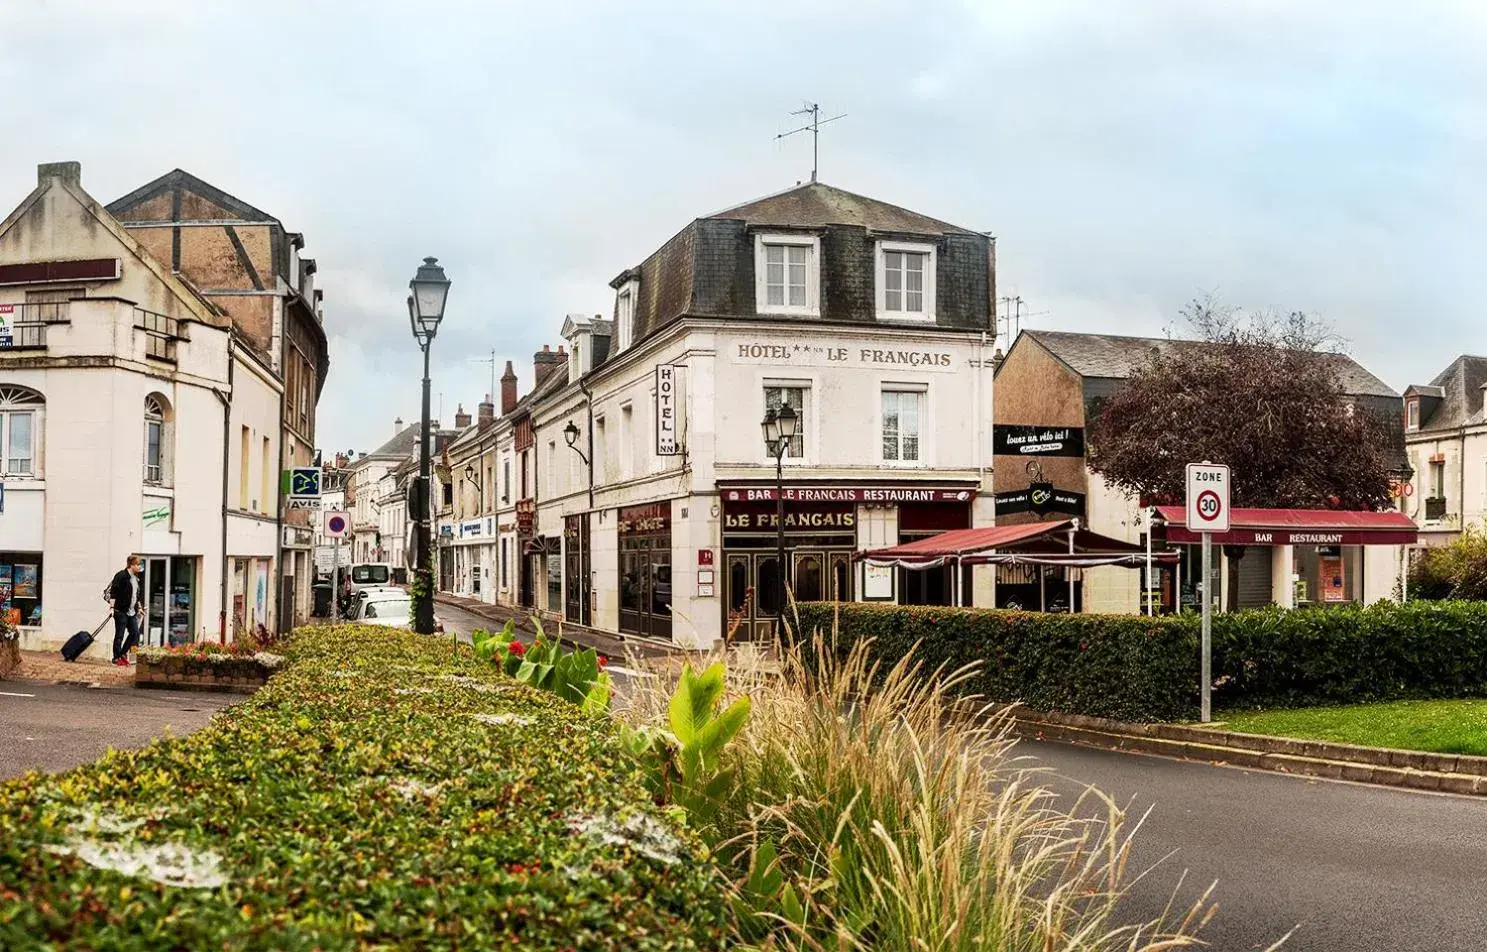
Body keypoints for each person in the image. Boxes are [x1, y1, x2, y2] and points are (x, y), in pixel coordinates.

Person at [108, 555, 145, 666]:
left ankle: (122, 654)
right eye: (138, 565)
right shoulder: (121, 576)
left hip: (131, 612)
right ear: (131, 565)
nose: (140, 567)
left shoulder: (136, 578)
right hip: (120, 611)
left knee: (135, 633)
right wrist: (111, 608)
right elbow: (113, 593)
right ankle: (116, 658)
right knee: (119, 635)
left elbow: (136, 596)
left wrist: (139, 608)